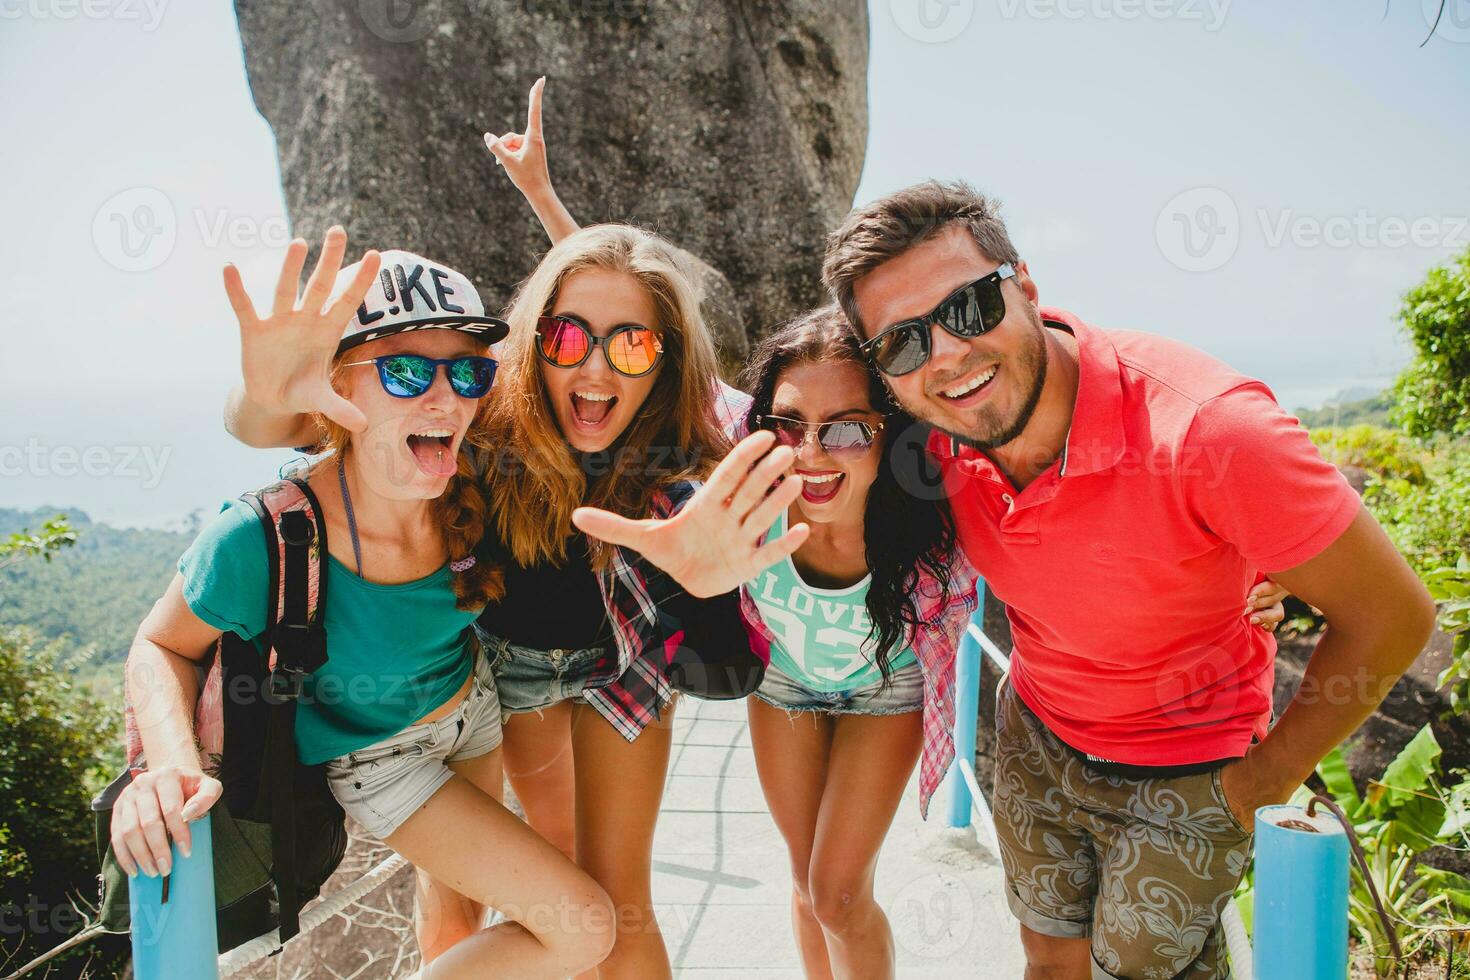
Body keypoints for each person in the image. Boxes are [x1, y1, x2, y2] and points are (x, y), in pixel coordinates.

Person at [490, 82, 1294, 979]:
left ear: (889, 432)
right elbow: (627, 332)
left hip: (888, 690)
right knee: (804, 885)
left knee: (838, 890)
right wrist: (549, 206)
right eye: (790, 425)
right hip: (783, 689)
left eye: (847, 430)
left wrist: (1255, 566)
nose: (814, 450)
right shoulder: (753, 458)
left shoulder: (937, 492)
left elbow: (1079, 487)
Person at [578, 179, 1438, 979]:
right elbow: (699, 394)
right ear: (891, 377)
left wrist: (1265, 778)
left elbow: (1392, 614)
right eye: (906, 342)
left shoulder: (1209, 431)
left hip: (1189, 768)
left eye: (969, 304)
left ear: (1024, 282)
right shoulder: (934, 443)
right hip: (1033, 738)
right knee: (1045, 958)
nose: (947, 355)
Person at [224, 222, 773, 976]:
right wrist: (254, 398)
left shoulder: (678, 451)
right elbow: (286, 422)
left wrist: (710, 589)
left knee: (621, 903)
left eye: (633, 345)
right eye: (568, 337)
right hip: (509, 676)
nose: (596, 367)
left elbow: (728, 635)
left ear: (667, 359)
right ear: (532, 340)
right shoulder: (476, 415)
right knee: (553, 892)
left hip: (625, 666)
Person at [112, 230, 614, 979]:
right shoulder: (264, 537)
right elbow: (161, 645)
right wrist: (172, 770)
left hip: (472, 704)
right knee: (586, 928)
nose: (447, 397)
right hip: (380, 759)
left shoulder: (473, 475)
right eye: (408, 371)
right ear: (337, 389)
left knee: (457, 921)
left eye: (469, 373)